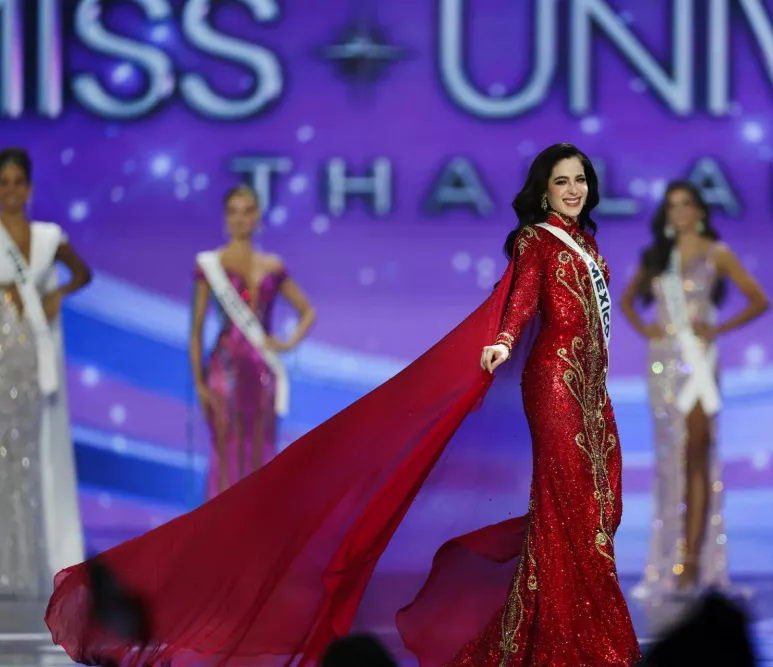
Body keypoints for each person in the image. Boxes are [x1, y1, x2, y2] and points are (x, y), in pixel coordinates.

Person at [45, 144, 641, 667]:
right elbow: (522, 299)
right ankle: (583, 639)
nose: (572, 190)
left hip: (593, 391)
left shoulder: (588, 244)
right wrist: (504, 340)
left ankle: (554, 635)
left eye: (580, 180)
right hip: (557, 386)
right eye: (561, 181)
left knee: (595, 509)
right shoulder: (538, 241)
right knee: (567, 506)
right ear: (542, 191)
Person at [620, 182, 768, 597]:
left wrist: (717, 328)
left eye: (686, 204)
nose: (679, 211)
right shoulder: (656, 258)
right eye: (672, 205)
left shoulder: (716, 252)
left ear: (700, 210)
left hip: (700, 363)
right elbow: (628, 301)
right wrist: (647, 330)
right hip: (663, 363)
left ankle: (693, 564)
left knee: (697, 457)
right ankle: (665, 562)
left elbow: (758, 300)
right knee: (670, 461)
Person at [0, 147, 91, 599]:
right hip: (0, 349)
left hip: (35, 352)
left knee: (32, 451)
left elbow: (83, 273)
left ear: (30, 188)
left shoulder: (49, 236)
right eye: (4, 183)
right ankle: (8, 564)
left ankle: (33, 562)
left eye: (18, 182)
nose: (11, 190)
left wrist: (57, 295)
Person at [190, 184, 316, 498]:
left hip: (263, 372)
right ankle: (220, 536)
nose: (240, 218)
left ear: (257, 216)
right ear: (225, 218)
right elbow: (195, 330)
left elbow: (307, 311)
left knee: (262, 452)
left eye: (247, 211)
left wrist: (287, 344)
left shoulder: (273, 266)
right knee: (224, 451)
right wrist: (199, 383)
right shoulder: (210, 266)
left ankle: (259, 534)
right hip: (224, 371)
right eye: (233, 212)